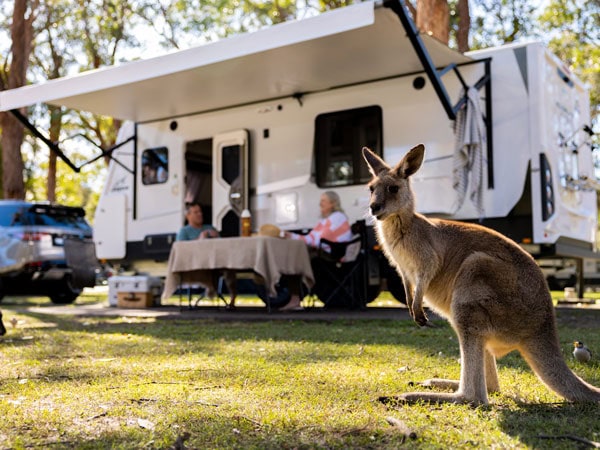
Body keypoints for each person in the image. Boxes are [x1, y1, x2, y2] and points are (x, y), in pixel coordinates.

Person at [279, 191, 352, 311]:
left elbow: (316, 240)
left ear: (332, 203)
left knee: (295, 261)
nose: (320, 204)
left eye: (324, 201)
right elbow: (313, 238)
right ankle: (295, 298)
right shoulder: (328, 219)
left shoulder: (337, 218)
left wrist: (292, 236)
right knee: (295, 259)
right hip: (325, 253)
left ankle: (295, 298)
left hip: (330, 256)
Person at [176, 202, 237, 308]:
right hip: (196, 263)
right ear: (188, 216)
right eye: (196, 212)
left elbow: (222, 245)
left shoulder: (209, 227)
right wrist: (199, 239)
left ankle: (233, 298)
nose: (200, 214)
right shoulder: (184, 231)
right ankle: (210, 289)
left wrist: (216, 236)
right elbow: (180, 248)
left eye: (200, 212)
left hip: (215, 261)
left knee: (230, 266)